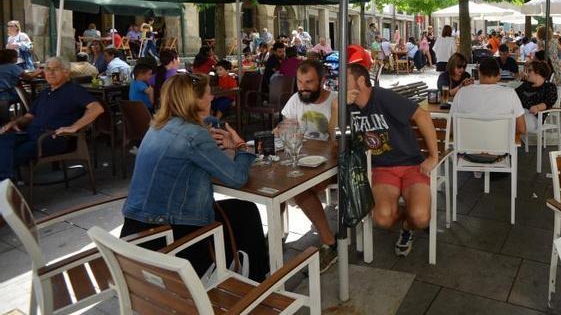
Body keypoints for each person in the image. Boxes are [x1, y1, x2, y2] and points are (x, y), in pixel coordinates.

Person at [120, 73, 268, 281]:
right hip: (173, 239)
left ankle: (251, 273)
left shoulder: (157, 127)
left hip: (136, 231)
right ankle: (259, 280)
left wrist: (207, 126)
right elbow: (236, 179)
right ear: (194, 100)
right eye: (208, 94)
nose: (212, 98)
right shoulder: (193, 135)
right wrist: (241, 147)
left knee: (241, 211)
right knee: (246, 212)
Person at [346, 60, 439, 257]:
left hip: (412, 165)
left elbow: (422, 115)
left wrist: (433, 155)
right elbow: (333, 139)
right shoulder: (347, 105)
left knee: (421, 218)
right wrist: (337, 108)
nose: (339, 86)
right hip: (381, 169)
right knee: (383, 219)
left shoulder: (382, 96)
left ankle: (407, 226)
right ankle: (406, 216)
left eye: (344, 81)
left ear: (361, 81)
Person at [278, 59, 339, 271]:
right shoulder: (296, 99)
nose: (302, 87)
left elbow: (337, 140)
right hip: (302, 160)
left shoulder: (335, 101)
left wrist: (335, 116)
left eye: (309, 82)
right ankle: (276, 236)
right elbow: (285, 127)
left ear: (322, 81)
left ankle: (330, 243)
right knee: (277, 180)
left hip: (332, 163)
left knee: (300, 190)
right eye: (299, 82)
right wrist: (282, 130)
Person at [0, 57, 104, 181]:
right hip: (30, 134)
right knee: (3, 140)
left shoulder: (74, 90)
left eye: (55, 69)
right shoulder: (45, 93)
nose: (50, 73)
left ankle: (4, 187)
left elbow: (97, 108)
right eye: (47, 69)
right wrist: (15, 122)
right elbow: (29, 116)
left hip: (52, 137)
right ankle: (6, 186)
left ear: (66, 72)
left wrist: (74, 127)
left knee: (11, 155)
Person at [450, 57, 526, 156]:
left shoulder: (462, 92)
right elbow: (522, 129)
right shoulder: (510, 94)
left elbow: (452, 128)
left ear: (479, 72)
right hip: (500, 151)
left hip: (468, 151)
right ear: (498, 75)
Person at [515, 60, 558, 133]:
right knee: (507, 121)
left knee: (511, 124)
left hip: (535, 117)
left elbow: (549, 101)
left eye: (529, 70)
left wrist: (537, 107)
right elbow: (513, 95)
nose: (527, 73)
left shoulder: (549, 87)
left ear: (538, 72)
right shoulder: (526, 85)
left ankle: (514, 143)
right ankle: (514, 144)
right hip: (520, 114)